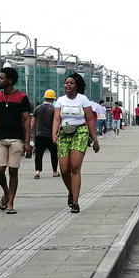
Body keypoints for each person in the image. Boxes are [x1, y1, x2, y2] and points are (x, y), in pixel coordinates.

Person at [0, 66, 32, 214]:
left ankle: (11, 203)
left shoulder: (21, 97)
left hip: (16, 139)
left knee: (13, 170)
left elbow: (26, 120)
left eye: (1, 78)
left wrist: (27, 141)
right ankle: (6, 192)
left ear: (10, 80)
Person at [53, 72, 100, 214]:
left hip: (80, 132)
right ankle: (71, 191)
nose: (68, 85)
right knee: (64, 170)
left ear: (76, 86)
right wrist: (54, 133)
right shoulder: (60, 100)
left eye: (71, 83)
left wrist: (95, 140)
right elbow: (56, 119)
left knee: (74, 167)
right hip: (64, 134)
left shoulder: (83, 99)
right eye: (66, 83)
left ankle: (75, 202)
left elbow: (90, 120)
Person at [31, 89, 58, 179]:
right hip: (51, 135)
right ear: (53, 99)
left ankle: (37, 171)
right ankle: (54, 171)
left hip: (39, 134)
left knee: (38, 154)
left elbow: (33, 121)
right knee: (54, 153)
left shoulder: (38, 108)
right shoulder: (54, 109)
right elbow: (57, 122)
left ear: (45, 98)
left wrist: (30, 133)